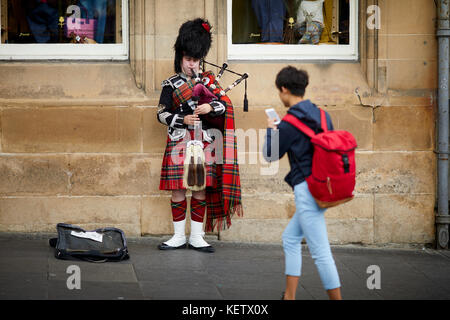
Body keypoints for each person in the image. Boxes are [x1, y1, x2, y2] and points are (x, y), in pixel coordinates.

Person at [156, 18, 243, 253]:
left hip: (202, 143)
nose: (191, 65)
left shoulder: (209, 82)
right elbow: (161, 114)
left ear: (200, 59)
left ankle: (196, 236)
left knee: (200, 188)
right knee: (178, 189)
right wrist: (182, 119)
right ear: (180, 59)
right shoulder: (170, 85)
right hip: (178, 142)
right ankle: (177, 236)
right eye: (188, 60)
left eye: (195, 60)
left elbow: (225, 106)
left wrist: (210, 107)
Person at [263, 66, 342, 300]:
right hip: (323, 184)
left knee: (320, 252)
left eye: (280, 91)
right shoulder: (321, 114)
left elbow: (269, 155)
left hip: (307, 189)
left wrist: (271, 131)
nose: (280, 95)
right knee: (290, 238)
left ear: (285, 89)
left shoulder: (289, 123)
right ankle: (289, 296)